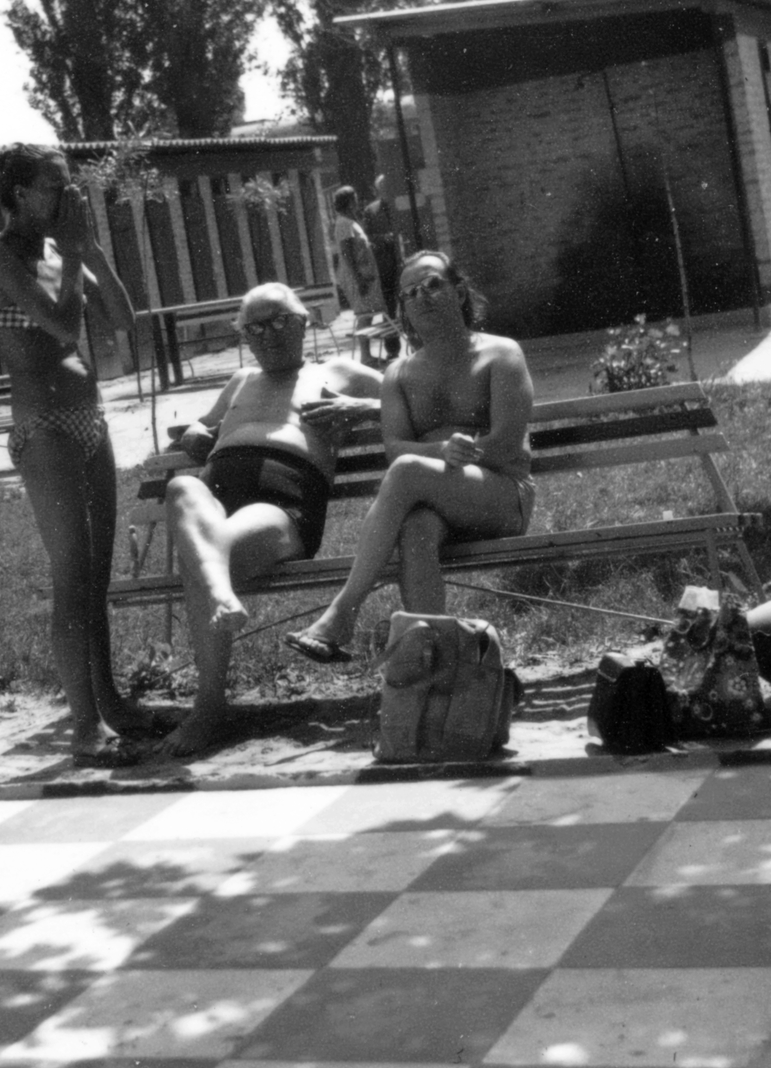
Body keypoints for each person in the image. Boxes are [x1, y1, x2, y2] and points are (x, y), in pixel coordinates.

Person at [0, 144, 155, 762]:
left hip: (90, 417)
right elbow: (60, 327)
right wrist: (76, 253)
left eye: (69, 185)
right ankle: (83, 725)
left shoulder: (63, 248)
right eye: (55, 186)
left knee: (97, 573)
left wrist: (93, 251)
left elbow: (124, 320)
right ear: (20, 193)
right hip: (44, 426)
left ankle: (108, 700)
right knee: (71, 575)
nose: (68, 197)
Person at [162, 283, 382, 754]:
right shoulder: (240, 380)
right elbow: (205, 422)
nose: (268, 334)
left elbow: (411, 401)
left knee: (207, 558)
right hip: (215, 490)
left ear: (304, 322)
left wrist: (363, 407)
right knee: (181, 487)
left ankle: (208, 711)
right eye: (254, 327)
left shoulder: (337, 370)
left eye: (279, 321)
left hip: (281, 499)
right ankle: (222, 594)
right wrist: (198, 434)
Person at [285, 251, 535, 662]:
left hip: (504, 496)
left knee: (406, 472)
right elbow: (395, 446)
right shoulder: (398, 374)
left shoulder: (501, 354)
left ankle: (342, 613)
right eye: (410, 293)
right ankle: (430, 659)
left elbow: (507, 443)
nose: (422, 297)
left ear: (458, 292)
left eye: (433, 284)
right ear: (403, 308)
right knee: (416, 529)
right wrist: (440, 451)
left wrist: (462, 454)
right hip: (437, 502)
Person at [331, 186, 384, 321]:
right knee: (364, 316)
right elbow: (346, 253)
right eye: (355, 200)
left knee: (368, 314)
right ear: (348, 202)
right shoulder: (343, 223)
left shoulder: (351, 222)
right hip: (356, 277)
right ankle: (363, 343)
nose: (357, 203)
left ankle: (365, 342)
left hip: (365, 274)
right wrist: (358, 279)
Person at [360, 175, 403, 328]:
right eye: (383, 188)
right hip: (385, 264)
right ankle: (392, 347)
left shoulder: (400, 203)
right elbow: (366, 237)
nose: (386, 190)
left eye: (388, 186)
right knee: (389, 304)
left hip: (404, 260)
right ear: (378, 190)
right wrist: (382, 238)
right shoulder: (371, 210)